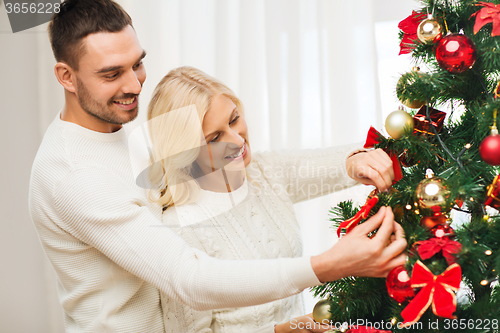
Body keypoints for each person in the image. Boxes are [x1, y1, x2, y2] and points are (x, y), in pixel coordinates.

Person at [27, 0, 406, 332]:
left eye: (138, 64)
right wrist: (326, 266)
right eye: (112, 74)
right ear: (66, 77)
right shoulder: (74, 177)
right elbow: (189, 279)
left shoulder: (124, 128)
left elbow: (262, 171)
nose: (136, 85)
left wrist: (357, 159)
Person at [145, 66, 405, 333]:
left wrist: (358, 161)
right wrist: (288, 329)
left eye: (234, 119)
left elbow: (335, 165)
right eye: (215, 138)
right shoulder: (180, 228)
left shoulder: (262, 171)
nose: (237, 140)